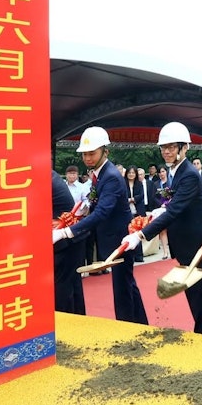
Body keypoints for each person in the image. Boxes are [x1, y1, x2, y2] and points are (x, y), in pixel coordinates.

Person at [122, 122, 202, 336]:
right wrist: (159, 210)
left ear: (184, 148)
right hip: (187, 247)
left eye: (172, 147)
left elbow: (175, 210)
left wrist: (140, 235)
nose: (166, 152)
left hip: (199, 249)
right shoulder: (174, 172)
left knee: (201, 303)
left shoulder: (189, 174)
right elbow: (172, 205)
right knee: (199, 304)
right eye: (163, 147)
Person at [53, 127, 148, 325]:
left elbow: (103, 212)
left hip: (120, 239)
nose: (87, 158)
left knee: (123, 288)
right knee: (127, 285)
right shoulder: (98, 174)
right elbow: (95, 204)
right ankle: (138, 324)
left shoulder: (111, 176)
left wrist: (66, 232)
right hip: (112, 237)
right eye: (84, 154)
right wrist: (81, 212)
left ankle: (128, 327)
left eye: (92, 153)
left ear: (105, 151)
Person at [52, 171, 86, 314]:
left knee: (63, 287)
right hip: (71, 238)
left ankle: (65, 326)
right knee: (72, 285)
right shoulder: (51, 175)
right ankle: (78, 325)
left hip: (63, 238)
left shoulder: (41, 178)